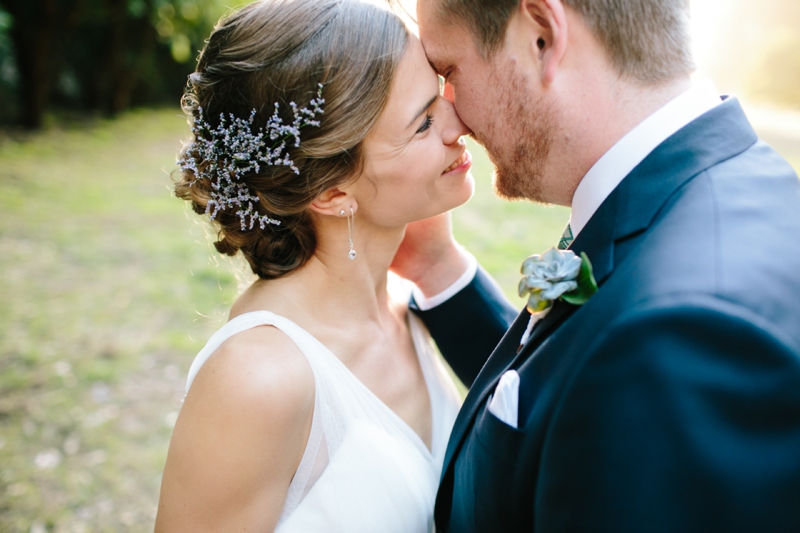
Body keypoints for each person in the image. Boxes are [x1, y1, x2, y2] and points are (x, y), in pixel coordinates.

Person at [392, 0, 800, 531]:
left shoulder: (676, 340)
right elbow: (579, 396)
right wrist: (439, 269)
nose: (453, 114)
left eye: (449, 71)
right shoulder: (729, 183)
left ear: (541, 36)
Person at [153, 0, 504, 531]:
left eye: (441, 90)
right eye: (423, 121)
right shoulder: (258, 380)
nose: (461, 124)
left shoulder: (402, 305)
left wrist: (437, 266)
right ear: (333, 192)